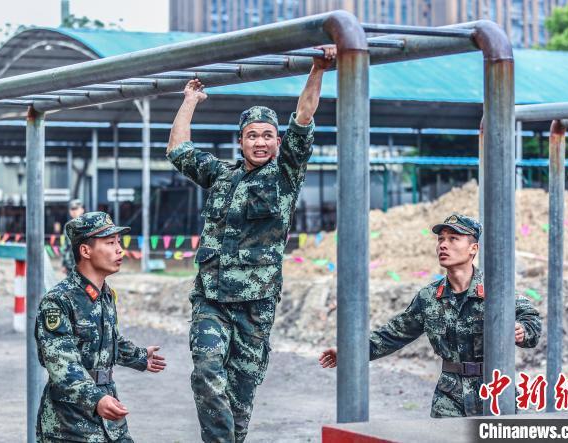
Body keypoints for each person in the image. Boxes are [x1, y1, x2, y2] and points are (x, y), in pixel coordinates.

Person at [166, 45, 336, 442]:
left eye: (267, 136)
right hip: (210, 298)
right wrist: (191, 100)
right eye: (252, 136)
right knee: (207, 370)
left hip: (254, 306)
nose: (260, 142)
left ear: (277, 142)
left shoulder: (285, 177)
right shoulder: (221, 176)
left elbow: (304, 118)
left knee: (241, 396)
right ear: (240, 141)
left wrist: (317, 70)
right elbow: (178, 149)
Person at [319, 213, 542, 418]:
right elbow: (391, 335)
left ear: (473, 248)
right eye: (440, 239)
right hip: (450, 394)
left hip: (494, 390)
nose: (443, 245)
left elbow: (531, 318)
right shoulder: (429, 297)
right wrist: (349, 353)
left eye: (454, 239)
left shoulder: (495, 290)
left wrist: (522, 330)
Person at [35, 211, 166, 442]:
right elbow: (61, 364)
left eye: (118, 242)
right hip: (69, 421)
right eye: (110, 243)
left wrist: (139, 356)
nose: (119, 250)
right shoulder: (58, 300)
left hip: (108, 407)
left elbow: (109, 340)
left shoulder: (105, 294)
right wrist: (96, 399)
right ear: (85, 251)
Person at [61, 199, 85, 274]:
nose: (74, 211)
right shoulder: (67, 226)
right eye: (72, 209)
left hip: (84, 263)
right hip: (70, 264)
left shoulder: (88, 224)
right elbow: (65, 246)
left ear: (82, 210)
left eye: (76, 209)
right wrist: (63, 264)